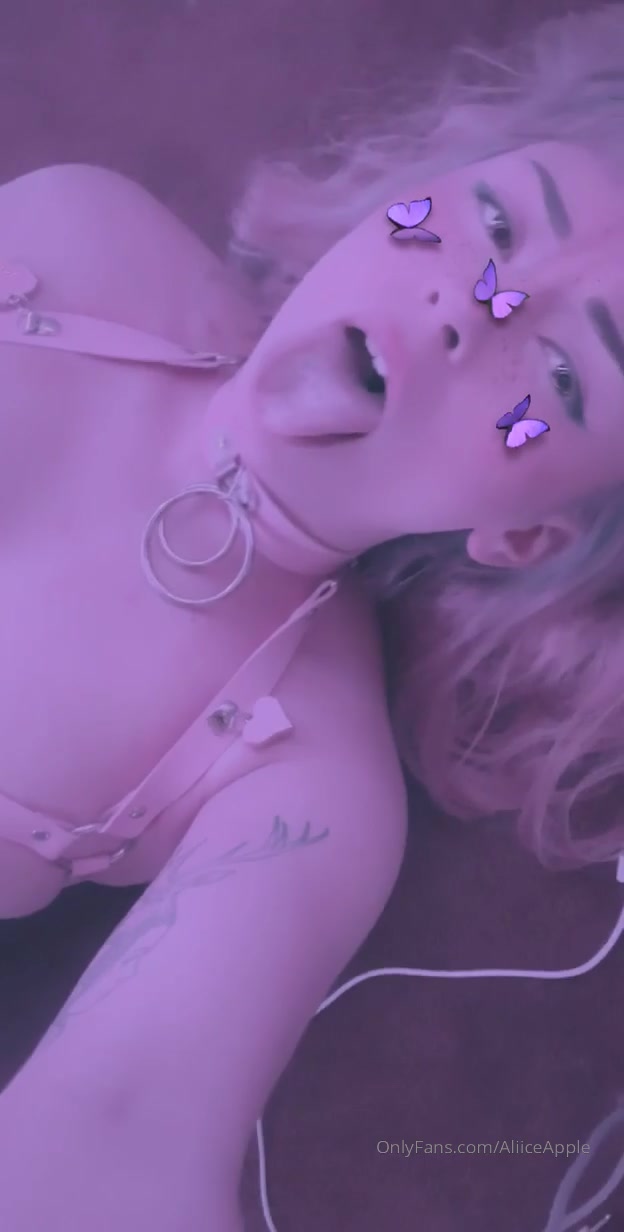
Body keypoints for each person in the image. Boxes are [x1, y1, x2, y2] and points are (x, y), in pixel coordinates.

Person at [0, 3, 623, 1228]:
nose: (476, 304)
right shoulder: (82, 240)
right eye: (498, 223)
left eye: (561, 374)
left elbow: (112, 1134)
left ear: (527, 536)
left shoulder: (305, 788)